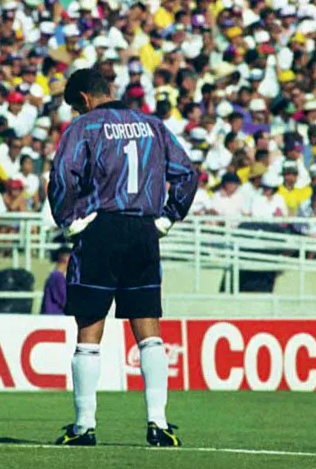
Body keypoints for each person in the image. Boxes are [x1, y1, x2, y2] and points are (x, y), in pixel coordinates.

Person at [49, 69, 197, 447]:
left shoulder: (85, 127)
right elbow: (186, 173)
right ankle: (158, 423)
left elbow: (63, 175)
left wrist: (68, 221)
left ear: (83, 98)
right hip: (144, 231)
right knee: (149, 332)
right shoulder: (153, 125)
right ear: (109, 90)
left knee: (89, 332)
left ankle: (84, 425)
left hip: (100, 229)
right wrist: (168, 216)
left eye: (73, 107)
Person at [40, 246, 71, 315]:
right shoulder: (57, 277)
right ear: (66, 258)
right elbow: (65, 300)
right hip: (54, 319)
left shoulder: (55, 276)